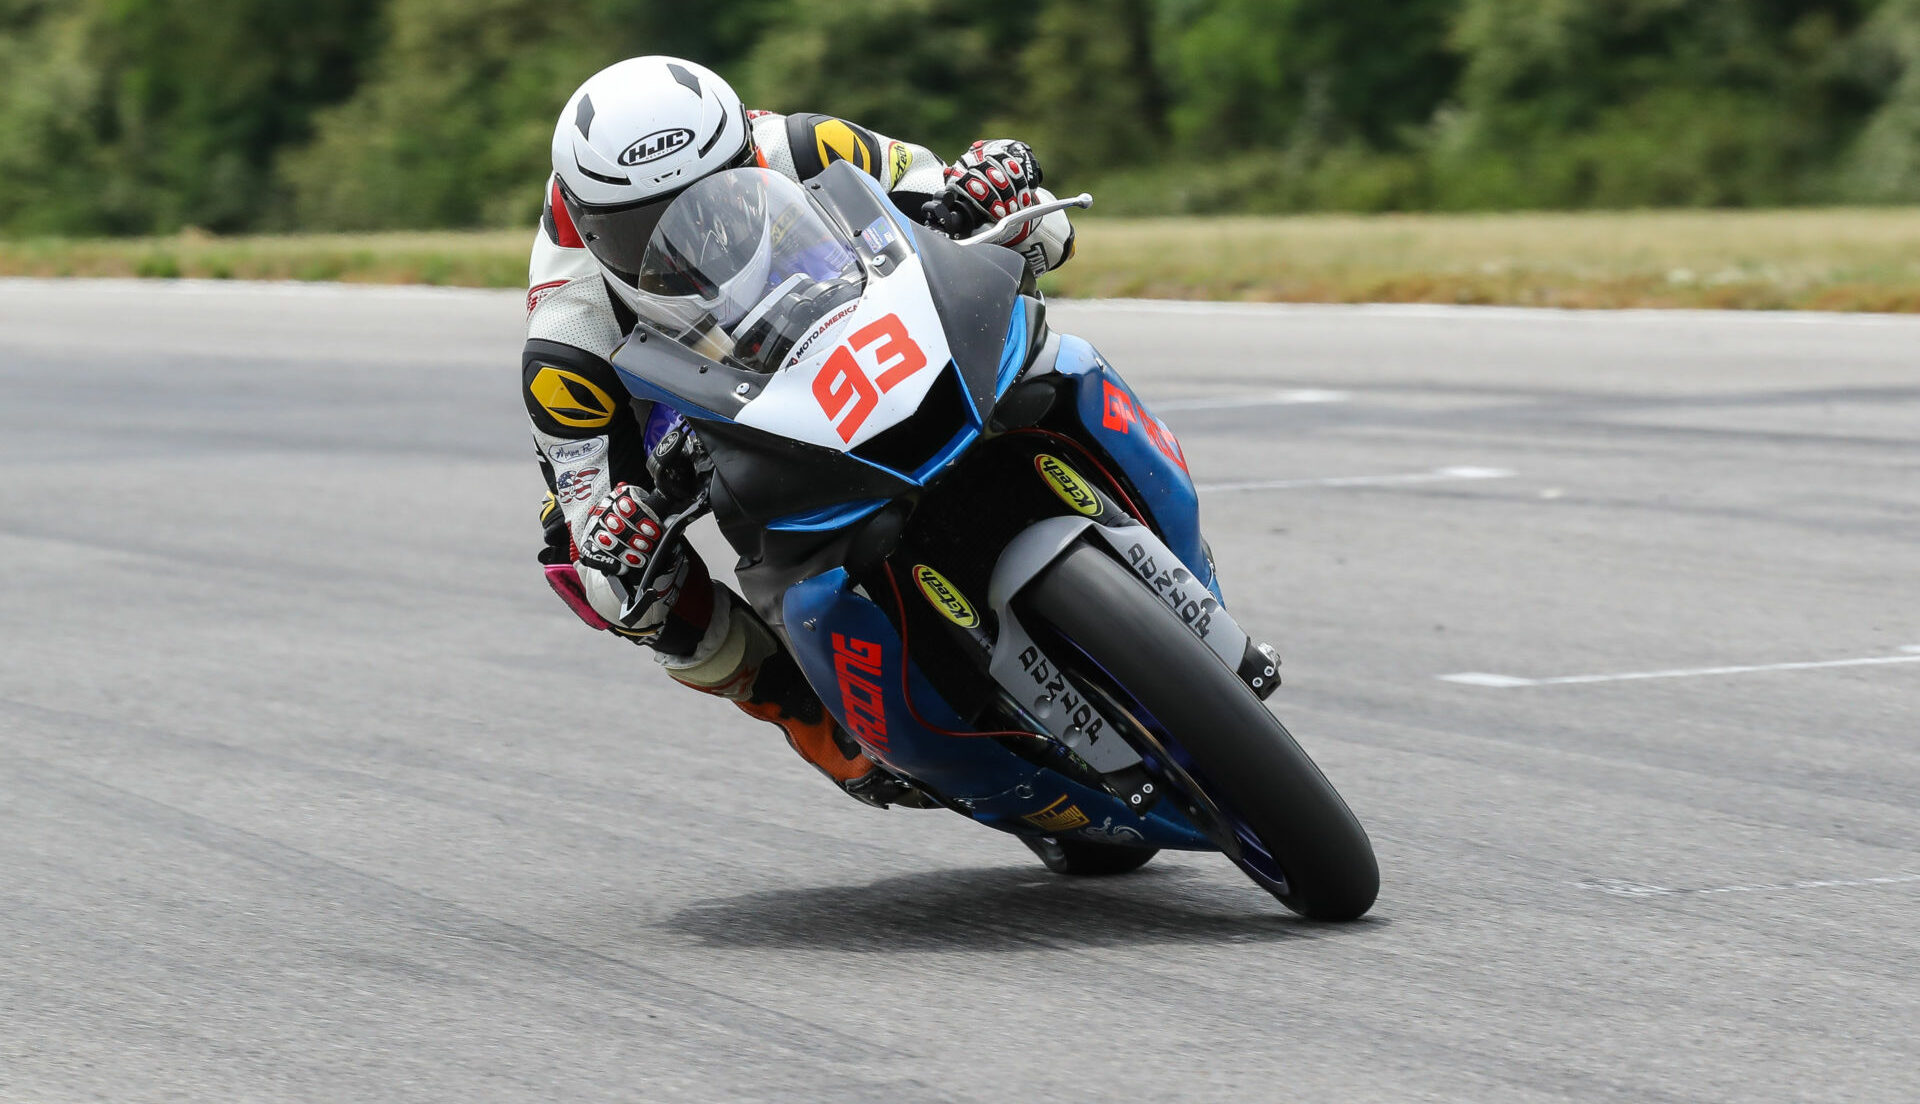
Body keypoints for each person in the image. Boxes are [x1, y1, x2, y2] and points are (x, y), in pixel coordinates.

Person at [522, 56, 1076, 808]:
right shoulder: (568, 334)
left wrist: (994, 188)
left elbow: (1016, 215)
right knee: (604, 584)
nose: (691, 237)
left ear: (744, 153)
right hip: (689, 408)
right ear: (589, 230)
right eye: (641, 230)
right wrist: (618, 531)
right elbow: (591, 532)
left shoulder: (803, 144)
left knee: (1026, 257)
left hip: (852, 329)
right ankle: (803, 708)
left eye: (710, 199)